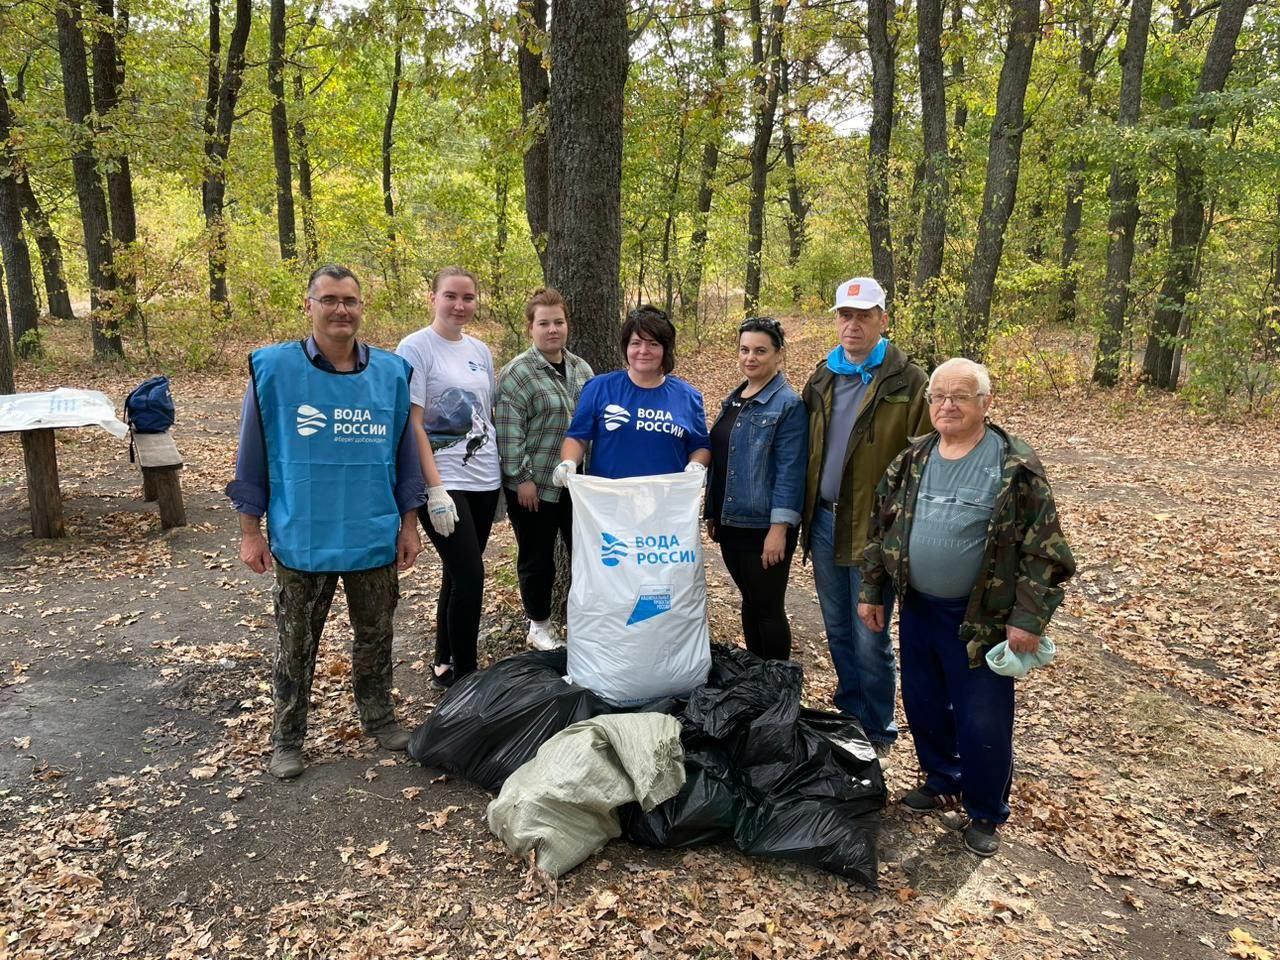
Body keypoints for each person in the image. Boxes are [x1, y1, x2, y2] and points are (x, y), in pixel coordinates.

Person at [858, 357, 1075, 856]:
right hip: (919, 610)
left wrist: (1028, 619)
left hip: (982, 619)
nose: (947, 405)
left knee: (983, 717)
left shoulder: (1014, 467)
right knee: (924, 701)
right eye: (938, 396)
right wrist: (872, 591)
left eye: (960, 396)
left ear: (985, 404)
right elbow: (881, 528)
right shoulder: (913, 459)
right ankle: (942, 780)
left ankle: (984, 810)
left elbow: (1046, 553)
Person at [227, 264, 424, 780]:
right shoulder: (274, 371)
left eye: (351, 301)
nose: (341, 310)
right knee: (295, 643)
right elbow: (253, 455)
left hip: (372, 532)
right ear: (309, 305)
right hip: (303, 535)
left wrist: (409, 523)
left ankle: (379, 718)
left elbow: (406, 457)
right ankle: (287, 737)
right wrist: (250, 530)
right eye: (330, 299)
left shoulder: (391, 373)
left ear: (362, 309)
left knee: (376, 636)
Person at [801, 276, 929, 759]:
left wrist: (901, 530)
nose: (852, 325)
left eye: (864, 315)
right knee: (836, 627)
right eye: (845, 315)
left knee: (870, 632)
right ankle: (850, 712)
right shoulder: (823, 377)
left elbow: (922, 464)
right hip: (824, 523)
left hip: (876, 529)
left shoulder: (909, 382)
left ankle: (877, 727)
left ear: (883, 319)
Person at [396, 266, 501, 689]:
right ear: (433, 297)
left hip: (483, 478)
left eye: (468, 298)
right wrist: (434, 487)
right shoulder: (415, 348)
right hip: (444, 481)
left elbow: (486, 416)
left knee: (457, 573)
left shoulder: (481, 350)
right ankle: (467, 678)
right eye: (451, 296)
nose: (460, 305)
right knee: (472, 576)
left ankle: (444, 658)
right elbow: (412, 422)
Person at [495, 288, 594, 651]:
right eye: (544, 323)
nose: (552, 329)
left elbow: (590, 424)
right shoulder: (517, 374)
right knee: (537, 559)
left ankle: (587, 621)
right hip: (533, 486)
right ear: (530, 328)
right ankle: (539, 625)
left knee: (584, 554)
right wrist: (521, 480)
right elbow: (508, 432)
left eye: (558, 322)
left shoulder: (582, 369)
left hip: (575, 485)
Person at [704, 317, 807, 660]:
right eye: (745, 350)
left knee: (768, 607)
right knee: (749, 601)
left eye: (761, 351)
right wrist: (712, 510)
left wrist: (779, 529)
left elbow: (791, 471)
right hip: (731, 522)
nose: (751, 357)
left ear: (778, 353)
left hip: (763, 526)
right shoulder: (736, 399)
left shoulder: (787, 405)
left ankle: (777, 683)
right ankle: (756, 675)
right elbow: (723, 459)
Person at [553, 305, 710, 484]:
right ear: (626, 347)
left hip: (667, 503)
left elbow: (700, 446)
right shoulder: (599, 388)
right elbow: (578, 437)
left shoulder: (688, 397)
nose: (643, 351)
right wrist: (569, 462)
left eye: (653, 344)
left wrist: (696, 465)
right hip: (609, 501)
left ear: (665, 349)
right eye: (636, 343)